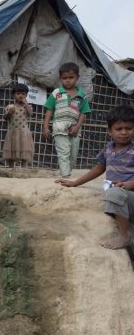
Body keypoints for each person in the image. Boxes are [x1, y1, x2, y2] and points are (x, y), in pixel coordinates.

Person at [56, 105, 134, 250]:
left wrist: (130, 184)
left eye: (128, 128)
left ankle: (124, 236)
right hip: (117, 193)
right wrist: (75, 183)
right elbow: (99, 168)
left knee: (112, 192)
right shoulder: (109, 148)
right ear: (109, 131)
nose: (124, 132)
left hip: (130, 195)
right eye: (119, 129)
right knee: (107, 187)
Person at [41, 62, 91, 178]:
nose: (68, 80)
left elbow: (83, 112)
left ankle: (67, 173)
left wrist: (77, 127)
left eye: (71, 77)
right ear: (60, 79)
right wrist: (45, 126)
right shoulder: (56, 93)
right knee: (63, 153)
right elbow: (49, 109)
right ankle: (65, 177)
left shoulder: (81, 95)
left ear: (77, 77)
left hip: (75, 129)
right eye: (64, 78)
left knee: (73, 155)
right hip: (59, 127)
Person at [2, 83, 35, 170]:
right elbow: (5, 117)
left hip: (24, 132)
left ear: (26, 95)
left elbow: (30, 113)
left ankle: (24, 167)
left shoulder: (28, 107)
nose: (21, 95)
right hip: (13, 131)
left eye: (23, 94)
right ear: (13, 95)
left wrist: (26, 104)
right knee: (11, 148)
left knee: (24, 149)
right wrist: (9, 112)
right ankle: (11, 167)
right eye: (18, 93)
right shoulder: (10, 107)